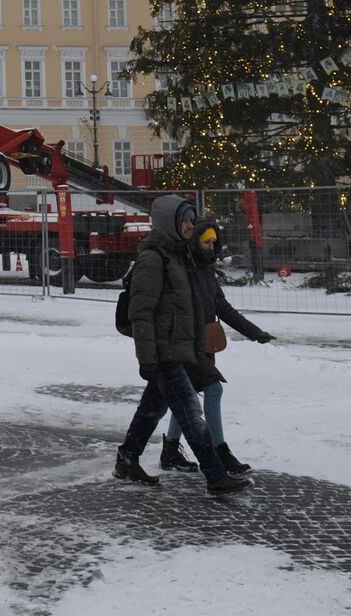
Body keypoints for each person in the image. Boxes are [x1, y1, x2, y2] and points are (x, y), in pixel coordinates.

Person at [113, 195, 251, 496]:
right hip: (164, 351)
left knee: (152, 408)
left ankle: (127, 458)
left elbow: (191, 307)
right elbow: (142, 312)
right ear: (169, 224)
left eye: (191, 219)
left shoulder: (178, 256)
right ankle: (215, 475)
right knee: (191, 414)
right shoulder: (153, 259)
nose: (191, 225)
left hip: (180, 348)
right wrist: (147, 358)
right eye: (186, 220)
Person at [158, 219, 277, 476]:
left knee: (186, 396)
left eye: (214, 241)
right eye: (206, 241)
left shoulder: (206, 271)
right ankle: (219, 451)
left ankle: (170, 450)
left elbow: (223, 308)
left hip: (204, 345)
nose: (211, 246)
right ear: (195, 243)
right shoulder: (183, 271)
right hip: (185, 346)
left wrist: (255, 333)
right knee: (213, 389)